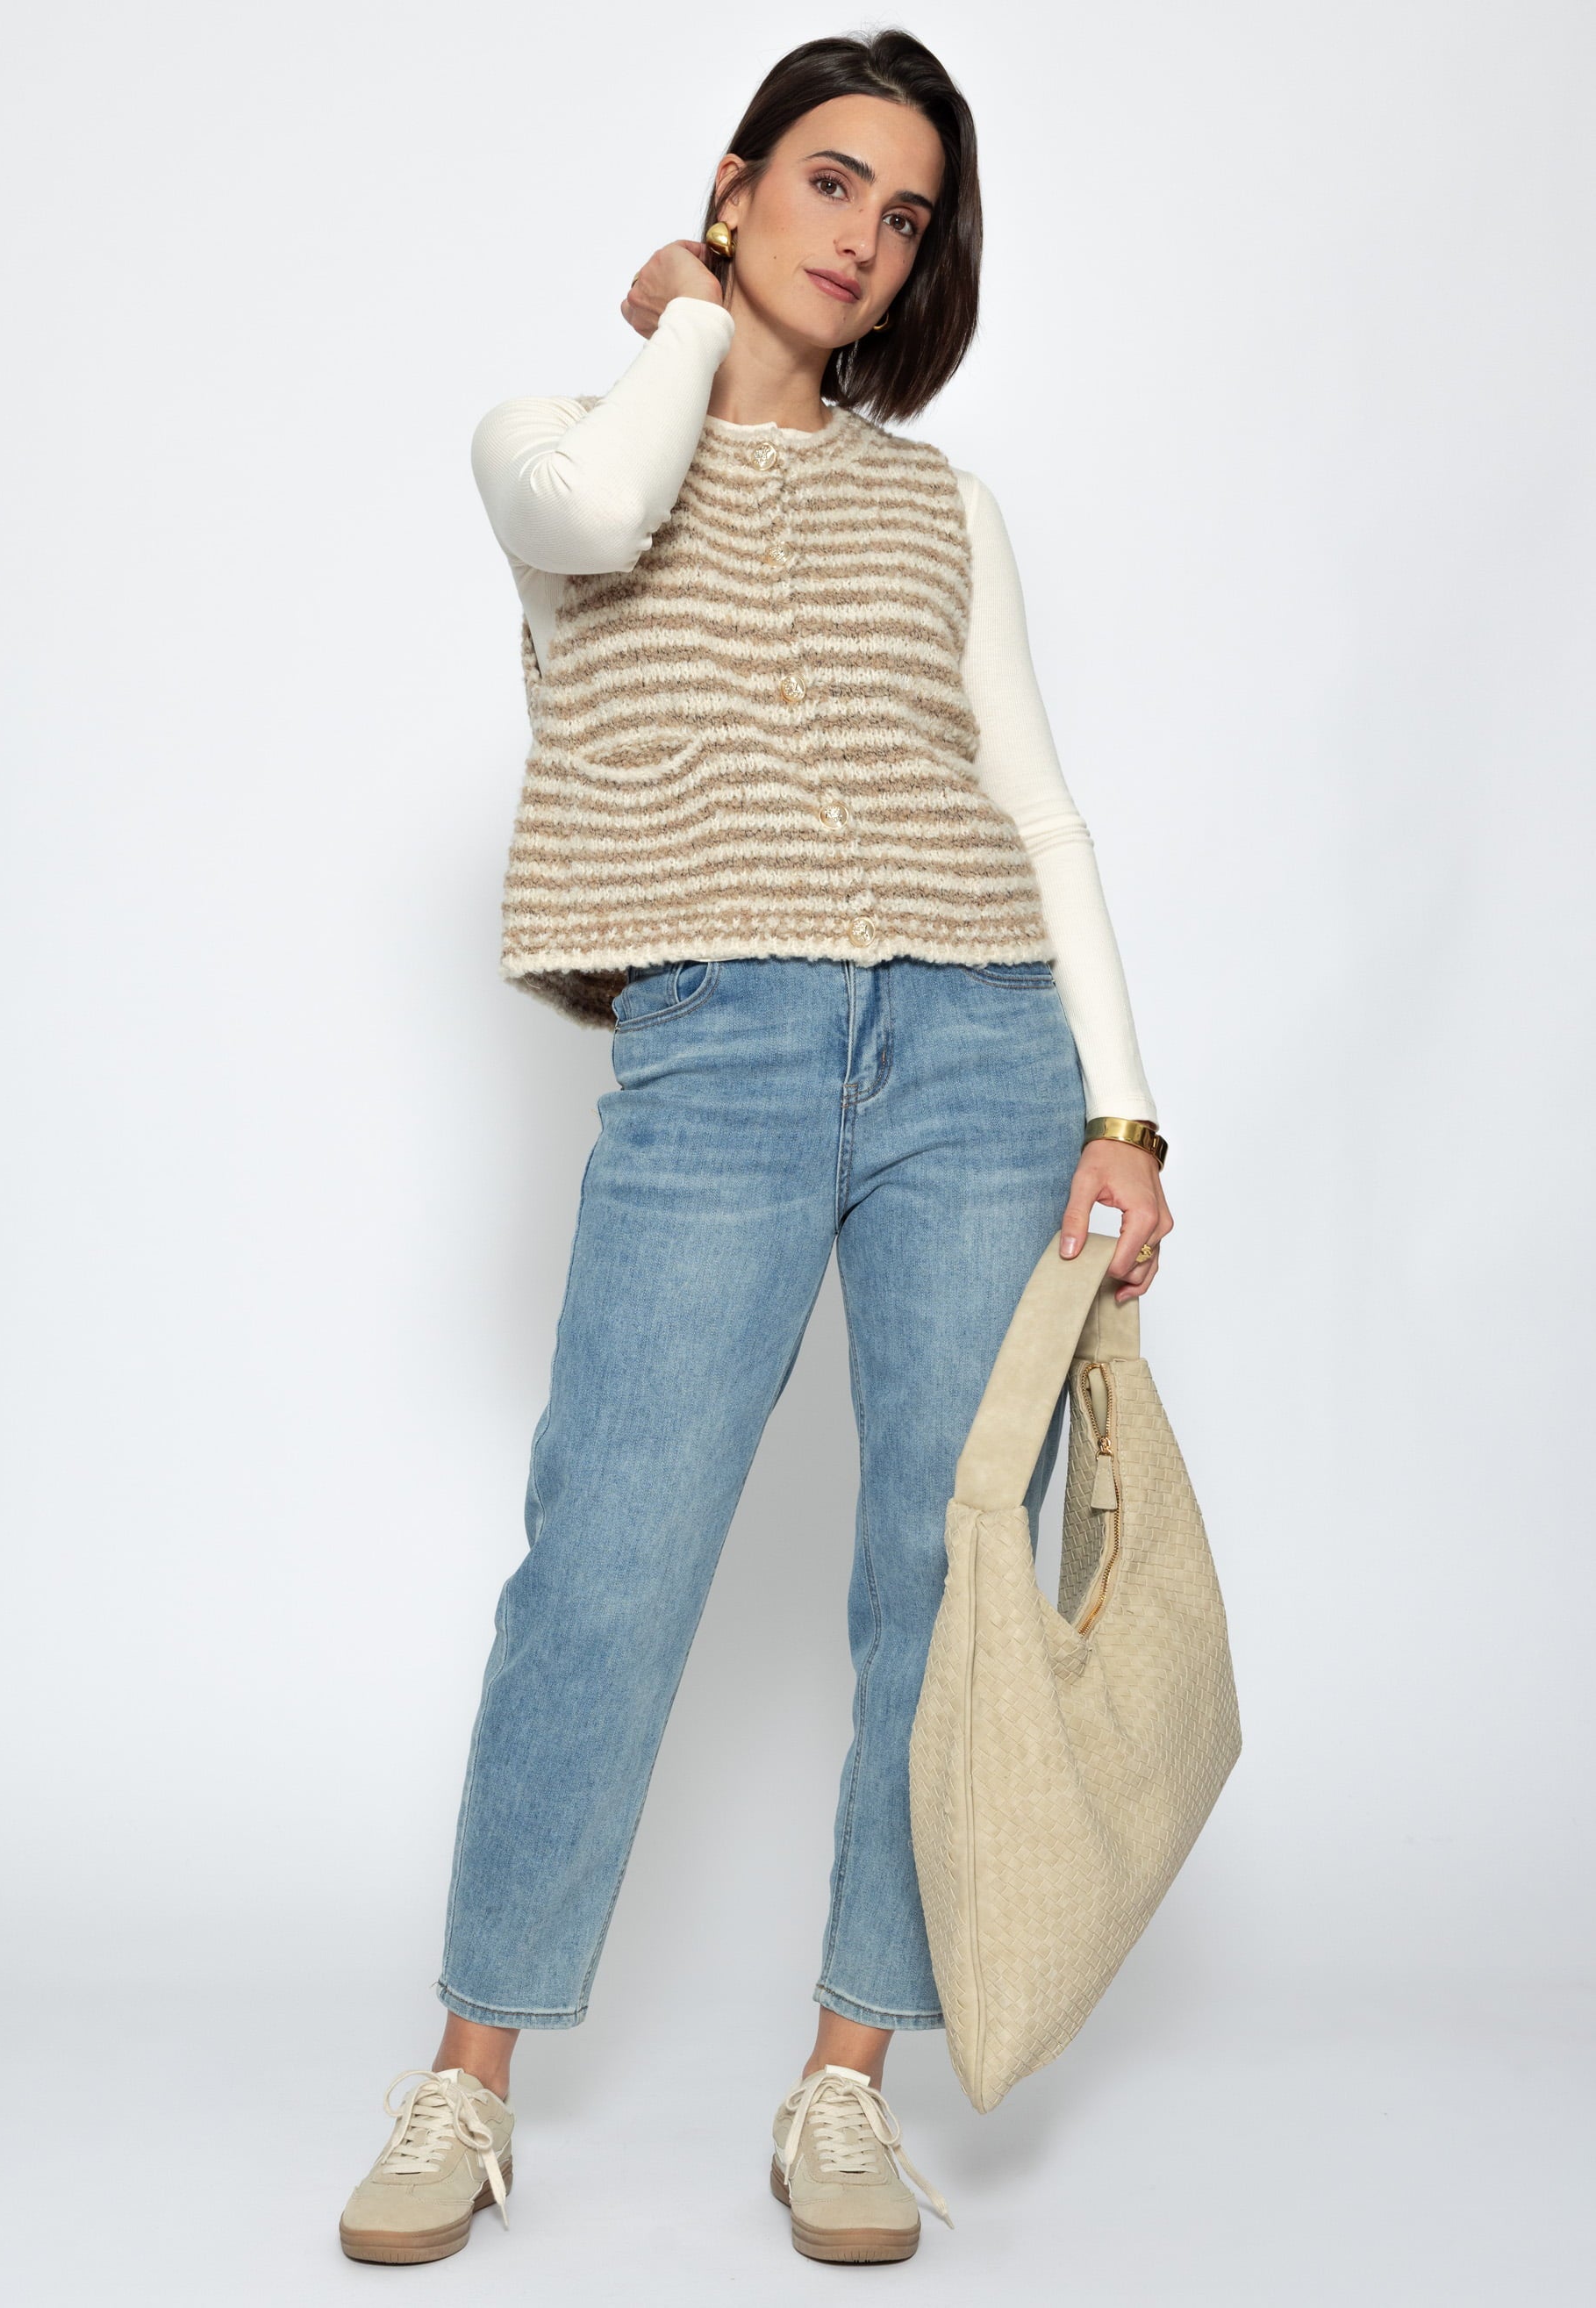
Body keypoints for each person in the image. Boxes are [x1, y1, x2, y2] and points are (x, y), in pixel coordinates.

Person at [338, 26, 1172, 2269]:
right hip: (718, 1049)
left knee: (941, 1577)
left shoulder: (943, 505)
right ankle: (469, 2071)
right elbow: (605, 519)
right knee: (606, 1559)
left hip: (982, 1054)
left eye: (907, 216)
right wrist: (690, 325)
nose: (866, 241)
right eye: (828, 184)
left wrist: (1121, 1110)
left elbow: (1039, 810)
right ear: (734, 187)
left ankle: (846, 2080)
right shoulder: (550, 437)